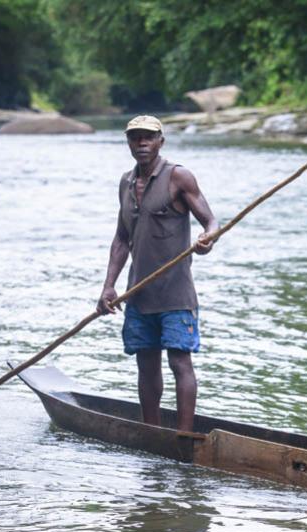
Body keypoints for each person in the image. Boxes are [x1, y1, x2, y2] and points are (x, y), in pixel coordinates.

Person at [97, 115, 218, 432]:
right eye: (135, 138)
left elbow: (212, 222)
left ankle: (183, 436)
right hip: (138, 293)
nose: (141, 143)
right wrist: (109, 286)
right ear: (128, 143)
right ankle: (152, 433)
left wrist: (207, 239)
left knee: (180, 362)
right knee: (146, 364)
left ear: (161, 141)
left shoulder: (178, 177)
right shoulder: (125, 183)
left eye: (148, 137)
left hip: (176, 295)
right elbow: (122, 239)